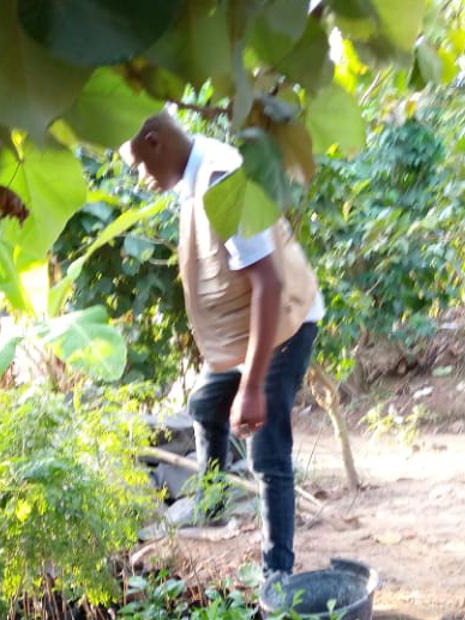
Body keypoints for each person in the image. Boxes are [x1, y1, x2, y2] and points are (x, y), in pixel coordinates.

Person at [125, 113, 325, 577]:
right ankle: (213, 501)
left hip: (282, 324)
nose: (140, 177)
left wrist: (251, 387)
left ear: (154, 142)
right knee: (204, 404)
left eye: (138, 164)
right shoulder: (196, 177)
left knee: (267, 451)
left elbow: (270, 286)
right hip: (248, 330)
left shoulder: (222, 180)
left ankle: (278, 575)